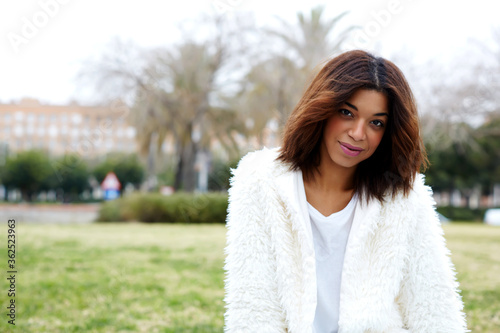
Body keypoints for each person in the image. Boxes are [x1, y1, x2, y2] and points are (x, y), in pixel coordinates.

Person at [223, 50, 468, 333]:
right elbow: (252, 306)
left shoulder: (403, 197)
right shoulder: (259, 180)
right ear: (322, 109)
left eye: (376, 122)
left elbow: (434, 308)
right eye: (347, 113)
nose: (358, 133)